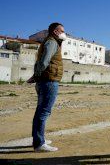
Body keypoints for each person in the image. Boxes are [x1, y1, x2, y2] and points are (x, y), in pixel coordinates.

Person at [27, 22, 67, 152]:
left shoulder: (51, 42)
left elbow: (41, 61)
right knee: (43, 112)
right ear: (55, 31)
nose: (64, 33)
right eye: (62, 31)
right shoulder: (52, 42)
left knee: (40, 112)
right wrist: (37, 75)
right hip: (48, 82)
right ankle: (39, 143)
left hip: (45, 81)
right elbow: (44, 61)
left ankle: (39, 139)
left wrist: (36, 76)